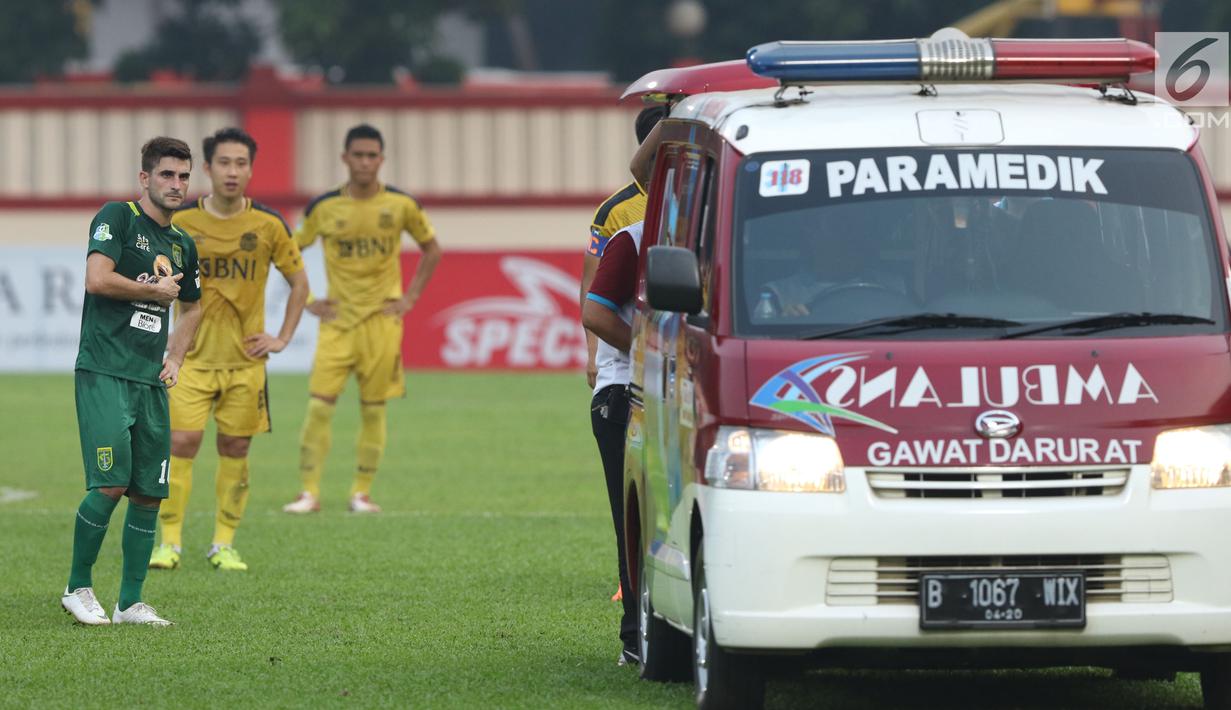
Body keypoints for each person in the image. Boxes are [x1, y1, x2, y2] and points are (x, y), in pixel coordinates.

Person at [148, 128, 310, 573]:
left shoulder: (268, 225)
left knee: (235, 448)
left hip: (245, 363)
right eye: (224, 163)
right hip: (191, 360)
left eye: (241, 163)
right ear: (208, 168)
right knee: (180, 443)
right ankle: (170, 543)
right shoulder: (182, 222)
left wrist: (282, 337)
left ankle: (223, 544)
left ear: (251, 169)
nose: (233, 171)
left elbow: (300, 283)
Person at [63, 137, 203, 626]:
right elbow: (97, 279)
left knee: (148, 491)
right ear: (145, 178)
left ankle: (129, 603)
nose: (177, 184)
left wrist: (177, 355)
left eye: (184, 176)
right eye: (167, 174)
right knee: (111, 482)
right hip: (104, 370)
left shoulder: (182, 243)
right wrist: (152, 290)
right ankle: (78, 587)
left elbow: (194, 304)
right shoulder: (116, 217)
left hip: (149, 381)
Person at [283, 124, 442, 514]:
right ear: (345, 158)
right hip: (337, 320)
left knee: (373, 409)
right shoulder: (324, 207)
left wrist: (410, 299)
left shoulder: (401, 205)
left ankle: (361, 492)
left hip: (382, 322)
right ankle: (309, 492)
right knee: (320, 406)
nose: (366, 162)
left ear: (381, 160)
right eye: (359, 155)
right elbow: (286, 251)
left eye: (373, 155)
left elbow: (431, 249)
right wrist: (307, 300)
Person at [582, 217, 646, 666]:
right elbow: (595, 311)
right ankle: (635, 637)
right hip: (625, 392)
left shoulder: (709, 225)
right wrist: (651, 356)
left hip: (676, 389)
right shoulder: (634, 235)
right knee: (633, 519)